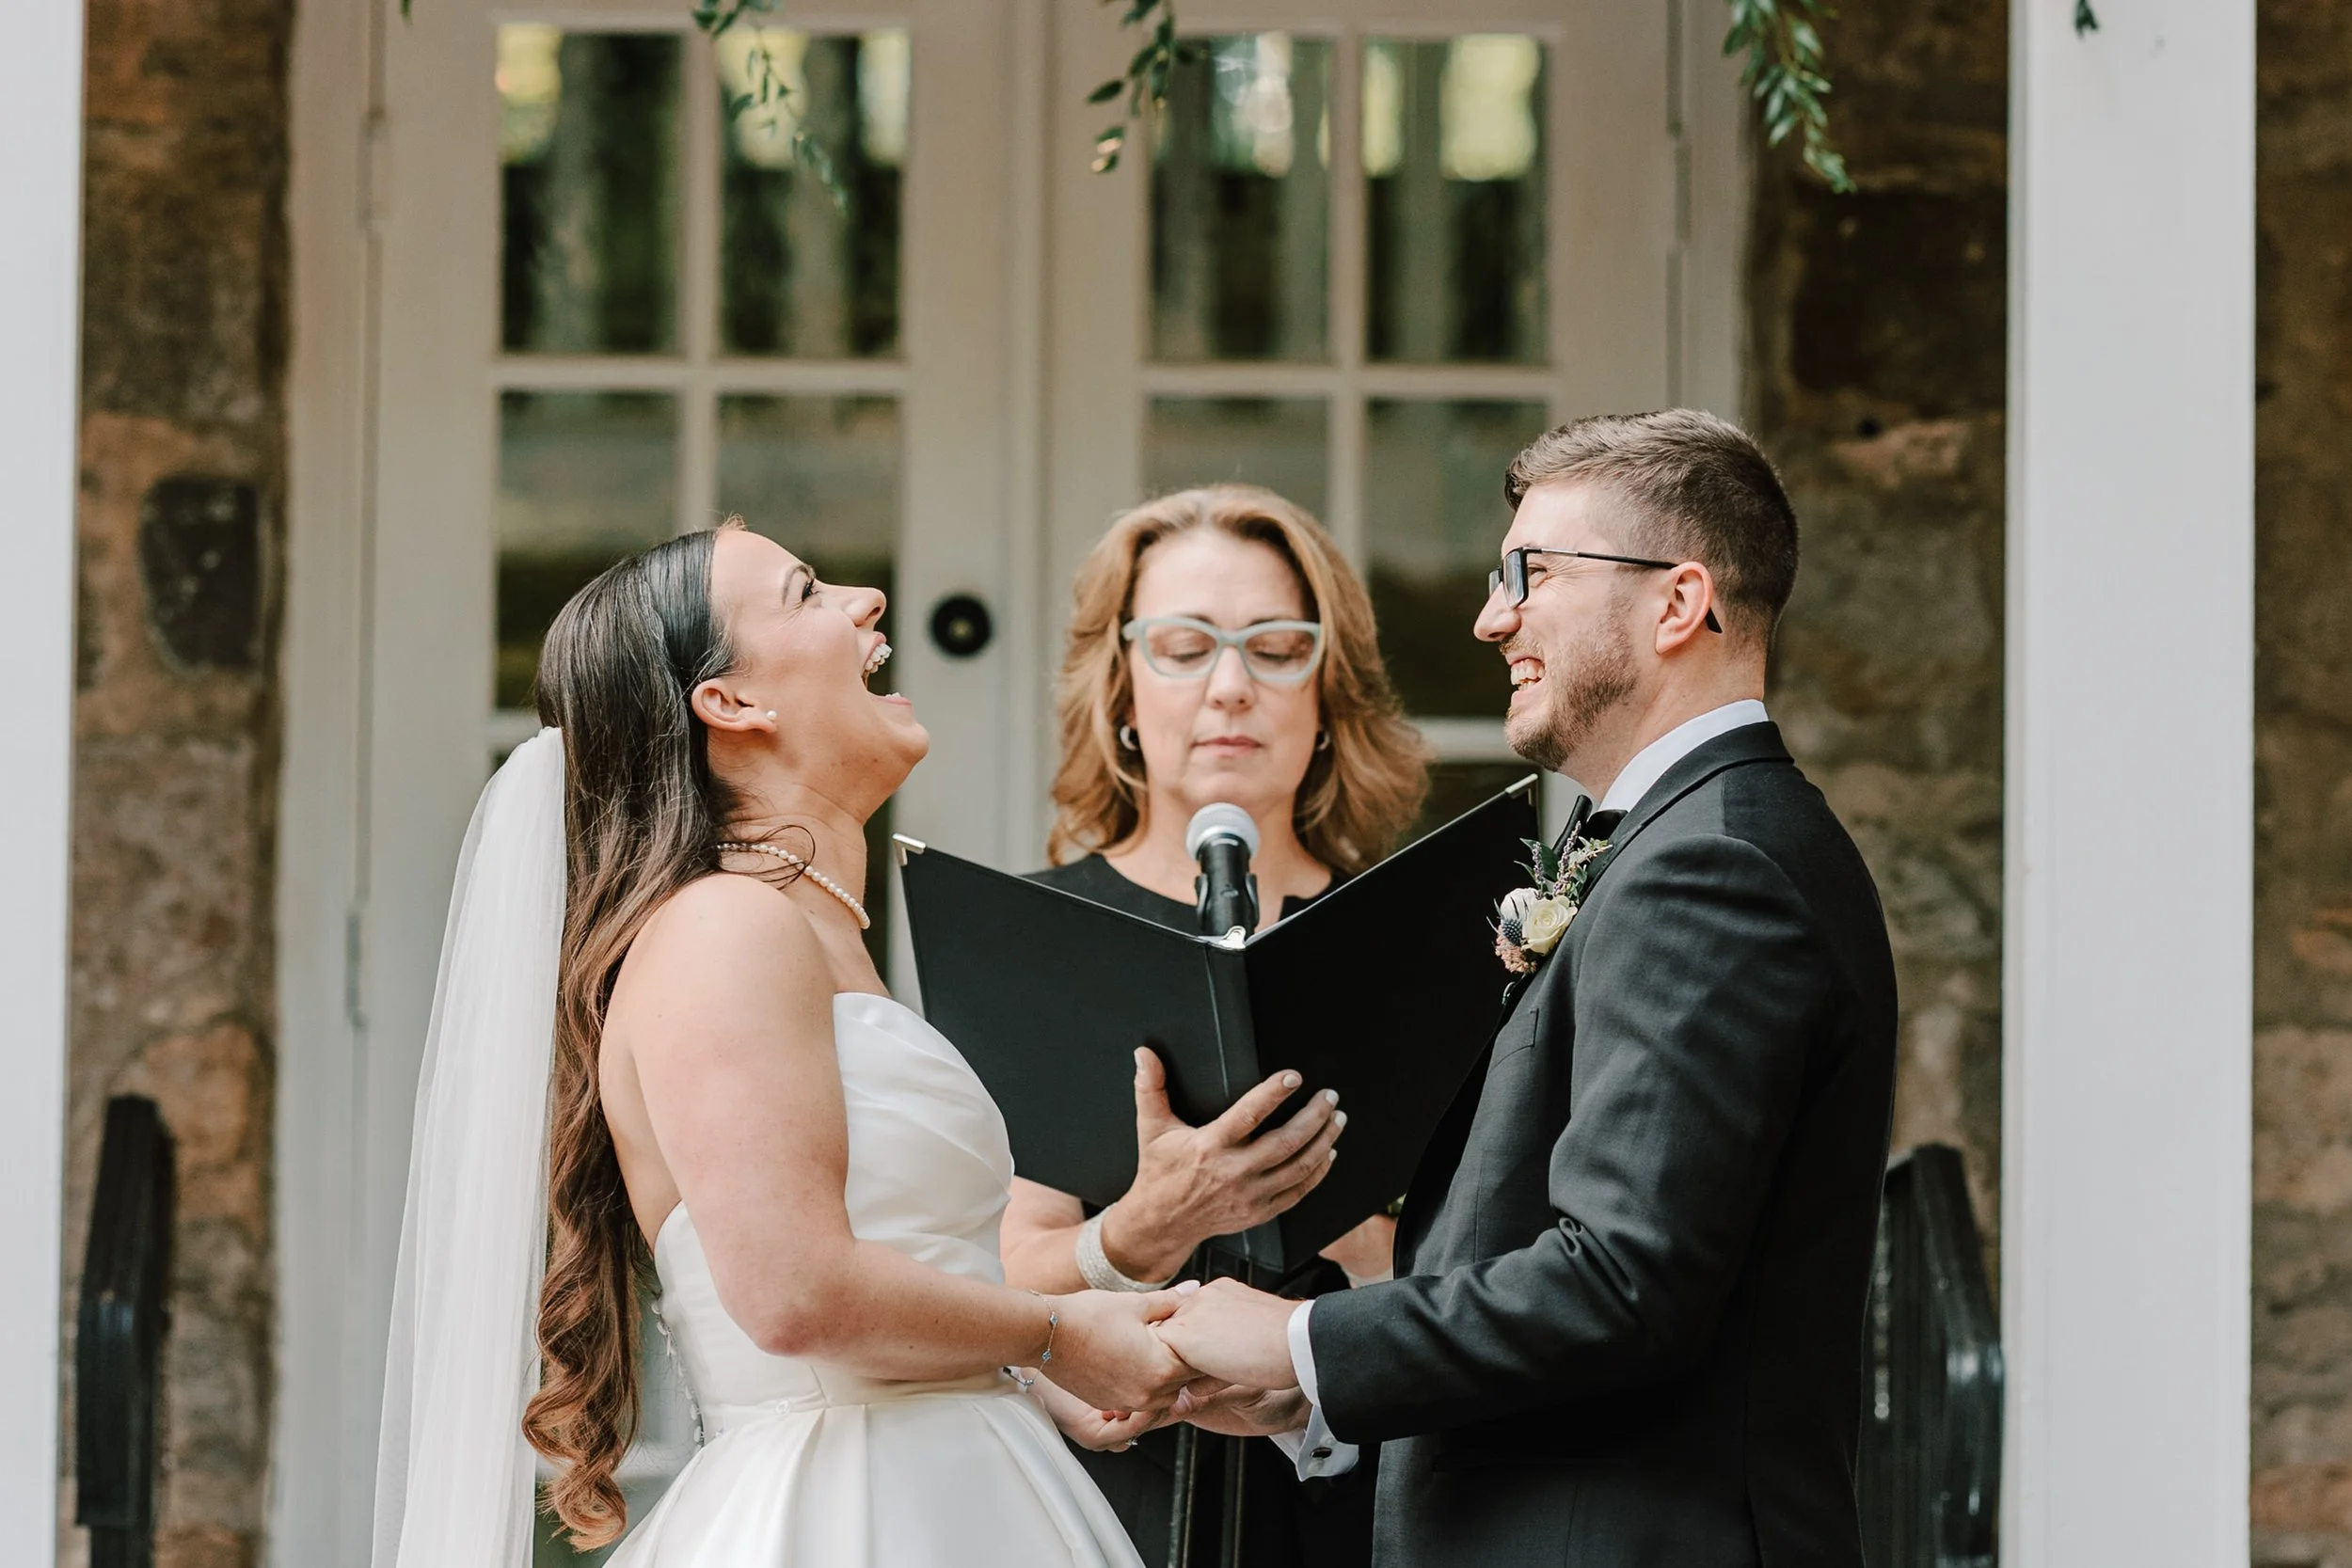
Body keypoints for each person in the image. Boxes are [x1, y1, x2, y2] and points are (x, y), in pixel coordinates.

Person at [373, 522, 1198, 1568]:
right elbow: (792, 1291)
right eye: (807, 591)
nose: (865, 600)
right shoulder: (727, 927)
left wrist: (1033, 1375)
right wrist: (1057, 1332)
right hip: (845, 1517)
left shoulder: (811, 934)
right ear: (731, 701)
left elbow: (881, 1269)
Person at [1154, 411, 1900, 1568]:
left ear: (1677, 603)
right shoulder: (1681, 843)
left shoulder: (1714, 867)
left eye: (1529, 573)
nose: (1489, 616)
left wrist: (1301, 1339)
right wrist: (1312, 1399)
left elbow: (1618, 1283)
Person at [1001, 485, 1428, 1565]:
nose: (1231, 686)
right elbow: (984, 1271)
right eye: (1186, 645)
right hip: (1111, 1488)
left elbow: (1492, 1275)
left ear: (1328, 690)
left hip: (1367, 1493)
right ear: (1123, 690)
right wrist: (1154, 1217)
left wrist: (1342, 1220)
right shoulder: (1035, 933)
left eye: (1277, 646)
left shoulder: (1414, 936)